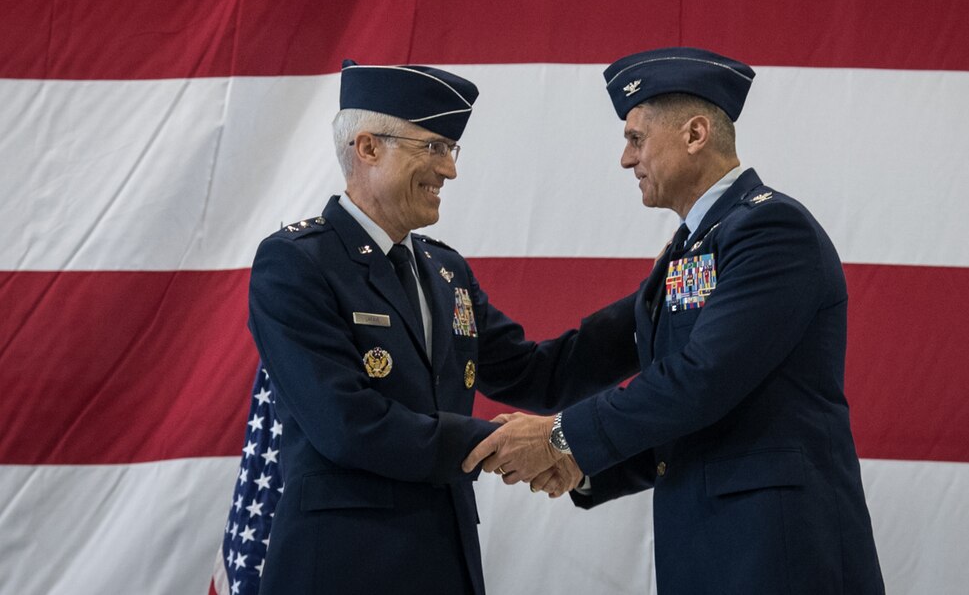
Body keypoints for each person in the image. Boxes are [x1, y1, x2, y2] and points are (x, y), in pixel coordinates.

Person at [464, 47, 885, 594]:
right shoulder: (691, 251)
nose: (624, 158)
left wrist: (562, 438)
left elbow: (699, 381)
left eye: (635, 138)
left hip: (778, 553)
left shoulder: (772, 231)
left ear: (694, 135)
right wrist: (440, 303)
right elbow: (559, 370)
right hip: (708, 550)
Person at [247, 60, 637, 595]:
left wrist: (650, 310)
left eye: (451, 150)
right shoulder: (296, 263)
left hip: (444, 563)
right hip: (342, 565)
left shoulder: (444, 270)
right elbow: (348, 423)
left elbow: (539, 375)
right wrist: (507, 441)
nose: (449, 170)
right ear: (367, 148)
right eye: (432, 147)